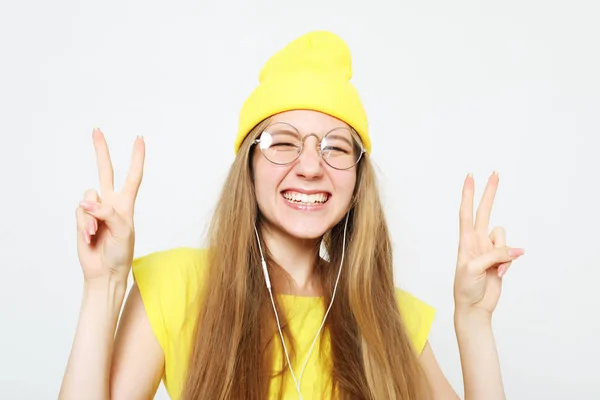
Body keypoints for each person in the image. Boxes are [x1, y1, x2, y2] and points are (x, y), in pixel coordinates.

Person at [59, 31, 524, 400]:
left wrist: (474, 321)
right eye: (282, 142)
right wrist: (103, 286)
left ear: (358, 179)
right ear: (250, 165)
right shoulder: (175, 285)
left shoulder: (391, 317)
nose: (309, 165)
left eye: (335, 147)